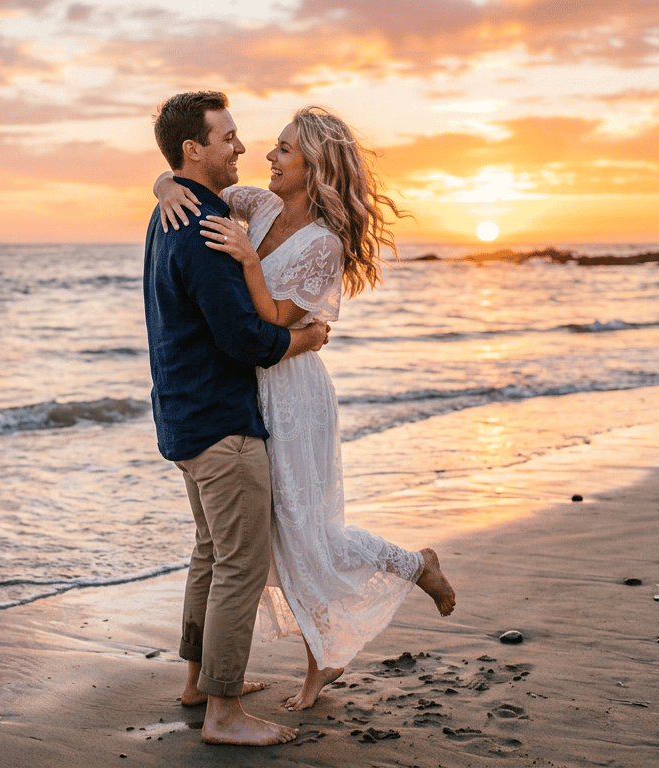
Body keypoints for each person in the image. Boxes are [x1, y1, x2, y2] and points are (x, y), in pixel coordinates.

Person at [155, 105, 457, 713]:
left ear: (312, 166)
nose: (267, 155)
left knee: (306, 534)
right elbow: (193, 180)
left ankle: (409, 568)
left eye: (284, 150)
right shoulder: (257, 207)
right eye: (271, 146)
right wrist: (165, 184)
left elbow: (278, 320)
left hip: (292, 392)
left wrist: (246, 261)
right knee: (278, 540)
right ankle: (329, 645)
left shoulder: (322, 243)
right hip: (251, 387)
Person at [144, 91, 329, 746]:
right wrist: (303, 341)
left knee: (209, 552)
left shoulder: (172, 209)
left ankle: (199, 683)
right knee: (240, 567)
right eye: (228, 138)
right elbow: (245, 339)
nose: (242, 148)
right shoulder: (203, 227)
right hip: (222, 423)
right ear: (195, 149)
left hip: (182, 416)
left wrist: (165, 178)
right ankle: (222, 713)